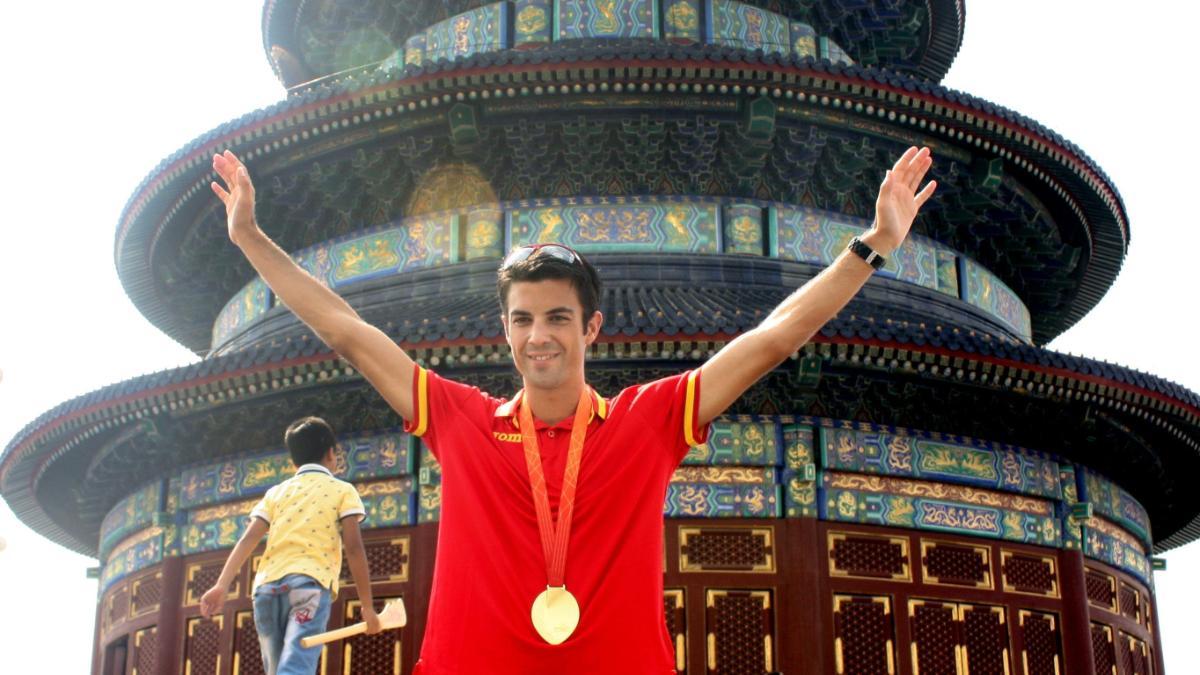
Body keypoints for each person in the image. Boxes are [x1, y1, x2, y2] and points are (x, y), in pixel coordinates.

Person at [209, 146, 936, 674]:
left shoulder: (647, 422)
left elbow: (771, 341)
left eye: (558, 317)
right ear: (506, 331)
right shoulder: (460, 421)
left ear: (590, 328)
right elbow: (346, 330)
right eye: (523, 319)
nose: (539, 335)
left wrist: (871, 246)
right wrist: (248, 236)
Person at [199, 416, 382, 675]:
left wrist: (221, 584)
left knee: (277, 671)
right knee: (296, 668)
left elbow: (248, 538)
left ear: (293, 461)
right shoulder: (343, 490)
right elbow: (353, 547)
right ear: (332, 454)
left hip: (266, 591)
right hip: (308, 585)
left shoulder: (275, 492)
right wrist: (367, 606)